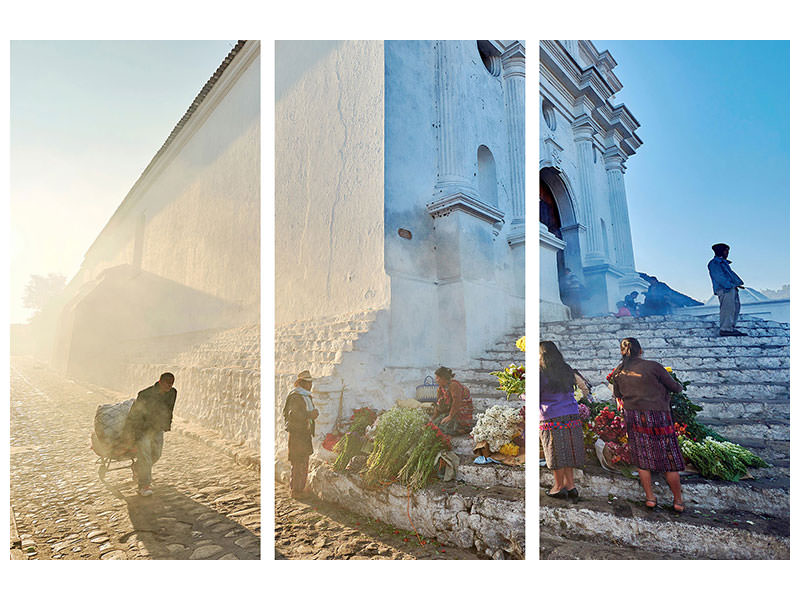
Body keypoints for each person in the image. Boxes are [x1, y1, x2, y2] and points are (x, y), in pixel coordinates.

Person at [610, 338, 686, 513]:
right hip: (658, 417)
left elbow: (618, 394)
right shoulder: (653, 366)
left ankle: (650, 498)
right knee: (669, 460)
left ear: (622, 352)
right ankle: (678, 501)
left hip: (634, 418)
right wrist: (678, 386)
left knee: (642, 460)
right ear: (640, 350)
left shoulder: (619, 372)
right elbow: (675, 387)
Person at [539, 341, 588, 502]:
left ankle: (558, 487)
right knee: (568, 450)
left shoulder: (540, 373)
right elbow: (583, 388)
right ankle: (571, 486)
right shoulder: (566, 369)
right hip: (572, 415)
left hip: (552, 416)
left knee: (556, 452)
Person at [122, 372, 177, 497]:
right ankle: (144, 486)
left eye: (172, 383)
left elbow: (169, 408)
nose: (170, 386)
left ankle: (137, 468)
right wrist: (130, 432)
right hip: (142, 430)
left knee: (156, 454)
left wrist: (167, 423)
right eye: (167, 383)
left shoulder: (172, 393)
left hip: (157, 428)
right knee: (145, 458)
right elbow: (134, 412)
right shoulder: (145, 394)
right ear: (160, 381)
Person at [283, 370, 319, 498]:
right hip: (298, 434)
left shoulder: (305, 396)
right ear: (302, 383)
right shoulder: (296, 397)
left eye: (311, 383)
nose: (310, 385)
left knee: (303, 461)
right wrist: (310, 414)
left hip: (304, 433)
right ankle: (295, 490)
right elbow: (294, 414)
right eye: (308, 383)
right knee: (298, 461)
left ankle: (300, 489)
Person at [708, 243, 746, 336]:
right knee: (727, 308)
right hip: (724, 289)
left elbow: (730, 275)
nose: (727, 253)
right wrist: (730, 285)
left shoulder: (724, 263)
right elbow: (719, 276)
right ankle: (725, 328)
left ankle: (731, 327)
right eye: (726, 251)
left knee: (735, 307)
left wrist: (737, 283)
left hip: (731, 288)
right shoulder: (714, 263)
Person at [431, 367, 473, 435]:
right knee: (435, 424)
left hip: (461, 413)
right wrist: (432, 420)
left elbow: (456, 402)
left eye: (438, 378)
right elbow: (439, 405)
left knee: (446, 427)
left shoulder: (454, 385)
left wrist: (450, 416)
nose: (436, 380)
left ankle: (464, 429)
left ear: (444, 378)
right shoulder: (440, 389)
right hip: (452, 411)